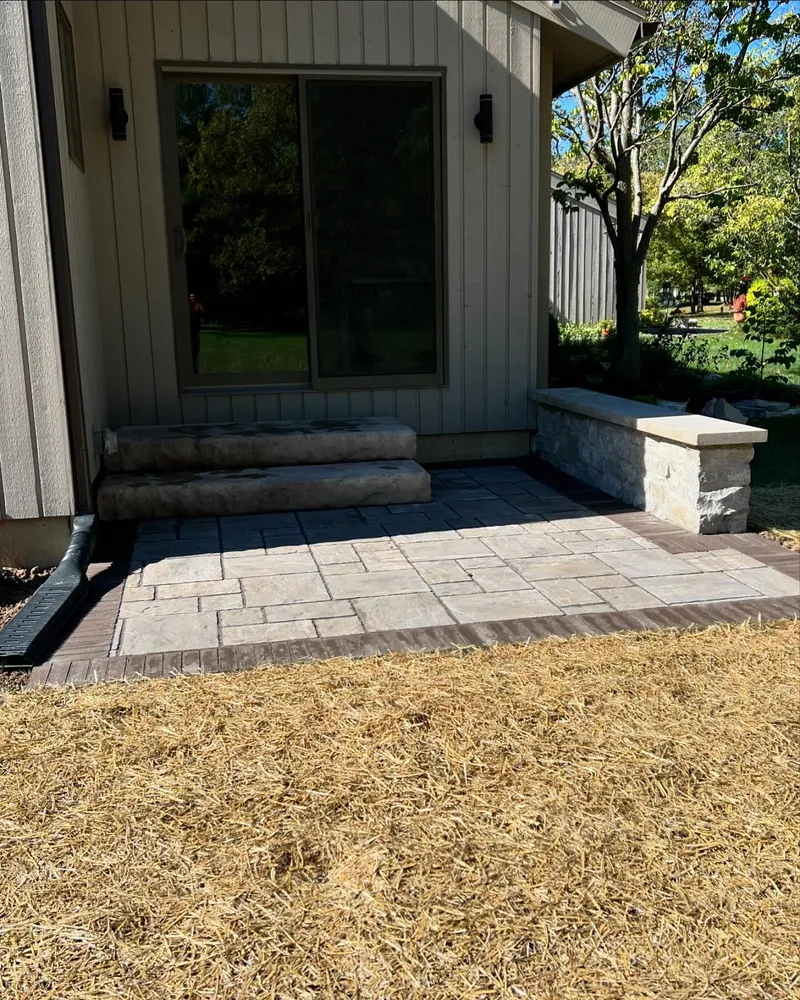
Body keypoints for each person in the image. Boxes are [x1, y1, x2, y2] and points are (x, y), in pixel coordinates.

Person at [188, 293, 205, 372]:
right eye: (191, 298)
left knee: (195, 352)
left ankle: (194, 368)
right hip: (190, 333)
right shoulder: (188, 307)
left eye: (194, 297)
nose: (192, 299)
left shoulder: (197, 307)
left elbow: (202, 313)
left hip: (194, 333)